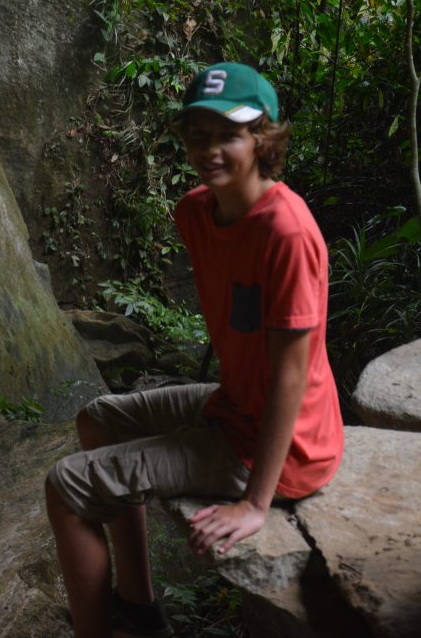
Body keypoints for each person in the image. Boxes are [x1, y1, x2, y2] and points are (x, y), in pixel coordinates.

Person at [44, 62, 344, 637]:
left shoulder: (287, 233)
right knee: (98, 421)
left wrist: (256, 505)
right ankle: (139, 607)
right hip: (235, 406)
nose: (210, 151)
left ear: (263, 139)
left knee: (66, 484)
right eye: (197, 135)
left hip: (281, 447)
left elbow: (289, 378)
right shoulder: (195, 212)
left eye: (228, 135)